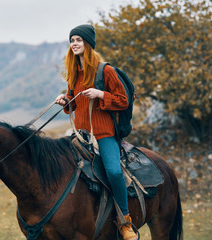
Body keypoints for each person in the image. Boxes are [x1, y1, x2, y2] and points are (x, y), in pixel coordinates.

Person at [55, 24, 138, 240]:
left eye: (78, 40)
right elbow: (73, 104)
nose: (74, 43)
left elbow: (123, 100)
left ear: (88, 44)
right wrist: (65, 100)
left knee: (113, 172)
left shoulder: (105, 71)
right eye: (72, 40)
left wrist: (101, 94)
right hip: (80, 135)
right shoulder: (74, 74)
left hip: (104, 135)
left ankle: (125, 221)